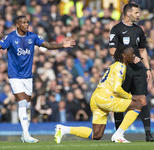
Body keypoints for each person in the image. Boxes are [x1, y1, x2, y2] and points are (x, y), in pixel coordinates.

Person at [0, 15, 75, 143]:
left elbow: (47, 45)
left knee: (28, 106)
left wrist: (62, 45)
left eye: (27, 22)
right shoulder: (10, 37)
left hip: (28, 77)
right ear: (17, 25)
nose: (26, 24)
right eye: (23, 22)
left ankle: (25, 134)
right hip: (15, 76)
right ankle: (26, 134)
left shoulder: (32, 36)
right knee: (22, 102)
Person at [54, 45, 142, 143]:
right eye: (132, 53)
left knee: (97, 135)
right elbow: (117, 89)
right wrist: (131, 97)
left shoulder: (115, 65)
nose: (134, 55)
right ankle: (119, 135)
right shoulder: (120, 66)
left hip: (97, 98)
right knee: (137, 105)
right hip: (106, 98)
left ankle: (63, 129)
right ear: (124, 55)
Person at [109, 3, 154, 141]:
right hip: (123, 70)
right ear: (128, 13)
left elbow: (142, 50)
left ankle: (148, 134)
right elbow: (112, 51)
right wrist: (129, 57)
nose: (139, 15)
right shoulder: (116, 29)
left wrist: (147, 68)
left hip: (139, 70)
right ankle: (118, 134)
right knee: (119, 101)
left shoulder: (139, 30)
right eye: (136, 13)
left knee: (142, 99)